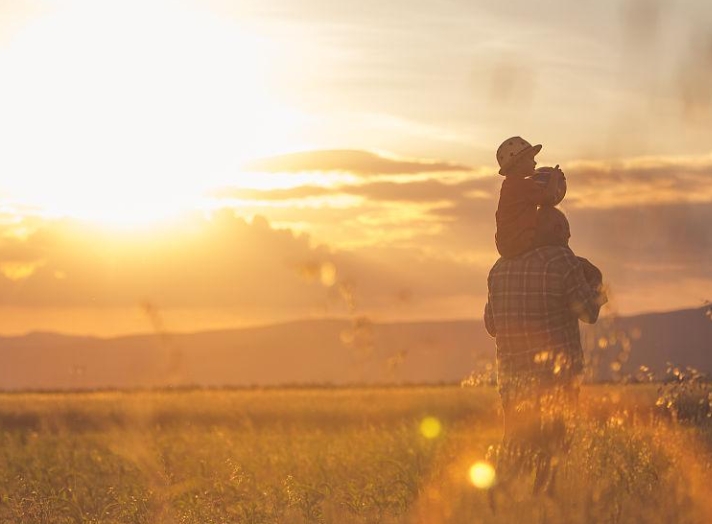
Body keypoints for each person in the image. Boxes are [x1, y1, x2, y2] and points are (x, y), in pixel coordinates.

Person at [484, 206, 607, 501]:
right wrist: (599, 290)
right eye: (565, 233)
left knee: (515, 447)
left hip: (513, 382)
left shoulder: (499, 268)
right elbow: (588, 312)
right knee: (553, 451)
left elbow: (491, 326)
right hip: (556, 380)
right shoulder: (562, 260)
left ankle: (500, 506)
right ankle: (544, 506)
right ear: (555, 232)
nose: (567, 239)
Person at [495, 136, 566, 258]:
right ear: (517, 163)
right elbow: (548, 198)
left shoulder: (508, 186)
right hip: (521, 242)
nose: (535, 162)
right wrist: (554, 177)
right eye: (531, 158)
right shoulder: (523, 185)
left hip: (504, 245)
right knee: (554, 235)